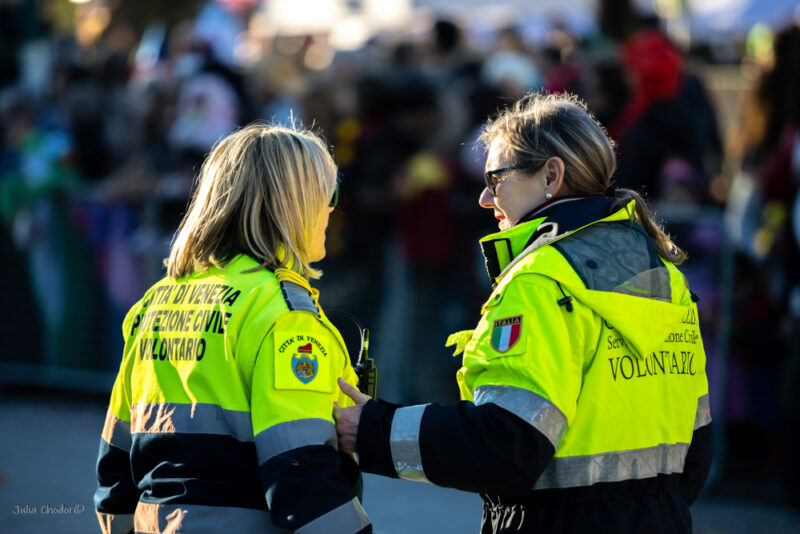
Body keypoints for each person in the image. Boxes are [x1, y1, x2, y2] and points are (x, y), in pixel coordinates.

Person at [334, 93, 712, 533]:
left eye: (495, 179)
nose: (483, 197)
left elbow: (506, 444)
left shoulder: (539, 280)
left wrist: (376, 429)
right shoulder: (664, 275)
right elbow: (698, 448)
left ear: (552, 174)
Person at [94, 123, 371, 534]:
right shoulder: (283, 315)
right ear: (296, 203)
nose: (333, 209)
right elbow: (302, 474)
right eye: (328, 194)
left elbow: (116, 459)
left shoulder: (156, 300)